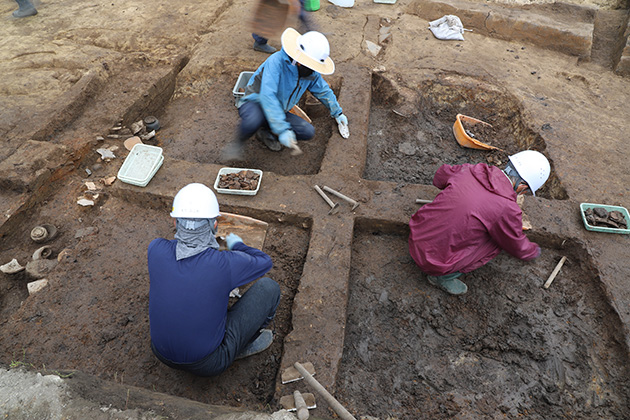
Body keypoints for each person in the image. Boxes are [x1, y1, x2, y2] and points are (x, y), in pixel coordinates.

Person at [148, 183, 280, 376]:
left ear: (175, 223)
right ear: (214, 225)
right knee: (269, 288)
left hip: (160, 352)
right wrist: (238, 245)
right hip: (208, 363)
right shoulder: (224, 264)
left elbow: (182, 254)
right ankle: (244, 342)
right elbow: (264, 261)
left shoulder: (155, 249)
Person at [408, 150, 551, 295]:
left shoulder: (471, 170)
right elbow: (514, 243)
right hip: (433, 261)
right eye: (525, 191)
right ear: (522, 185)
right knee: (496, 242)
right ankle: (441, 277)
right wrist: (532, 251)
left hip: (416, 235)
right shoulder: (507, 208)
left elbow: (440, 176)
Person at [222, 27, 348, 160]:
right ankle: (237, 144)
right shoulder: (276, 62)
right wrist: (282, 129)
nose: (313, 69)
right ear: (300, 60)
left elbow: (323, 91)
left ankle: (264, 130)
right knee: (253, 120)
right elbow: (267, 95)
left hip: (280, 108)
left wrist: (337, 112)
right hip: (255, 102)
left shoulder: (310, 73)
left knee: (307, 131)